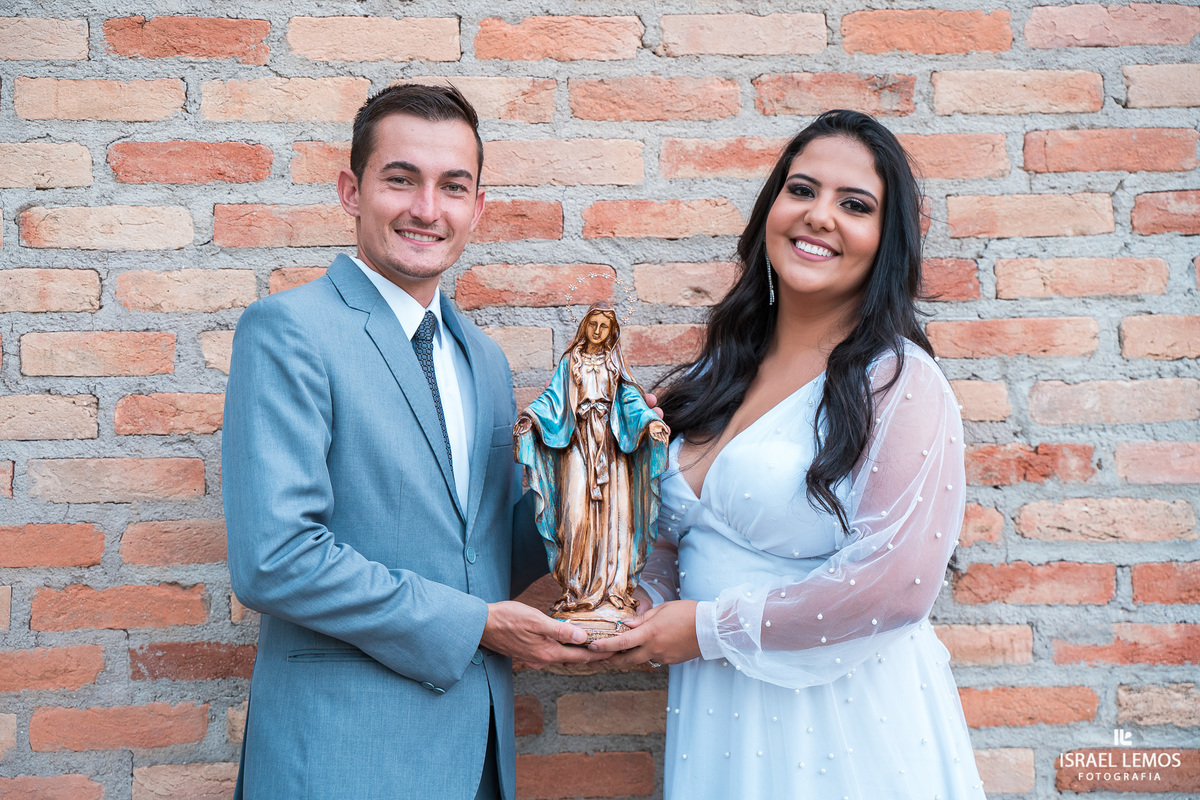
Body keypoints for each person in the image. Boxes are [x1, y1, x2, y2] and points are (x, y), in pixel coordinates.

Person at [222, 83, 606, 800]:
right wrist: (477, 626)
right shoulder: (289, 332)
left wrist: (591, 470)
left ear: (477, 208)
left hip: (476, 757)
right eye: (402, 179)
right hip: (342, 756)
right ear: (351, 190)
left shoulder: (483, 359)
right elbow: (274, 559)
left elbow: (485, 553)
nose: (428, 209)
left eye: (452, 187)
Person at [591, 109, 987, 798]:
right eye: (801, 190)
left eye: (854, 204)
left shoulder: (898, 383)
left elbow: (896, 588)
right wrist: (636, 599)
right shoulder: (719, 375)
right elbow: (678, 547)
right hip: (722, 717)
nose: (819, 215)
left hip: (841, 724)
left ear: (886, 240)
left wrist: (711, 628)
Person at [514, 303, 669, 633]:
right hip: (578, 444)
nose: (597, 331)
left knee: (616, 518)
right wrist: (531, 417)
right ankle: (578, 590)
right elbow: (553, 399)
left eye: (604, 326)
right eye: (593, 324)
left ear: (612, 332)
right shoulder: (571, 363)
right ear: (584, 326)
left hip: (612, 452)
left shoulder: (615, 366)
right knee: (576, 515)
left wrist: (648, 424)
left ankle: (612, 592)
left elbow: (632, 403)